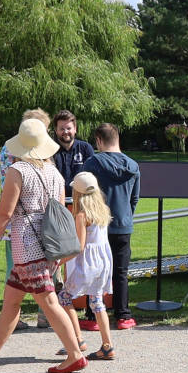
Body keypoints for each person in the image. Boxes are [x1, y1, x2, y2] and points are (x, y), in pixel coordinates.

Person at [0, 118, 89, 373]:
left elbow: (4, 214)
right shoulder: (55, 172)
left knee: (48, 301)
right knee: (12, 302)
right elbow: (58, 210)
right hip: (49, 243)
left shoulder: (17, 171)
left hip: (27, 245)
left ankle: (75, 355)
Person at [83, 123, 141, 330]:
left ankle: (93, 316)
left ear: (99, 140)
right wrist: (125, 216)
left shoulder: (92, 163)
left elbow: (85, 194)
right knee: (121, 272)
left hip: (98, 224)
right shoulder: (133, 165)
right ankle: (123, 315)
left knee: (95, 270)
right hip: (123, 225)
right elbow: (134, 198)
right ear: (117, 139)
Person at [0, 107, 51, 330]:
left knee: (14, 270)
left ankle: (13, 317)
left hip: (14, 221)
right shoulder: (37, 150)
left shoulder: (7, 148)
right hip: (35, 219)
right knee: (45, 271)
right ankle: (45, 314)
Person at [58, 172, 116, 360]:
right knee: (97, 302)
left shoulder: (82, 216)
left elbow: (79, 247)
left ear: (78, 193)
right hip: (103, 262)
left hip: (88, 264)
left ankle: (77, 340)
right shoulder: (103, 210)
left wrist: (59, 261)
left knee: (64, 298)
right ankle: (107, 345)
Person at [52, 110, 95, 198]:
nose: (65, 132)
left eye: (69, 128)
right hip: (57, 200)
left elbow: (92, 177)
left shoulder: (86, 148)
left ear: (75, 129)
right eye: (62, 129)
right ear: (56, 130)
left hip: (82, 198)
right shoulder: (50, 151)